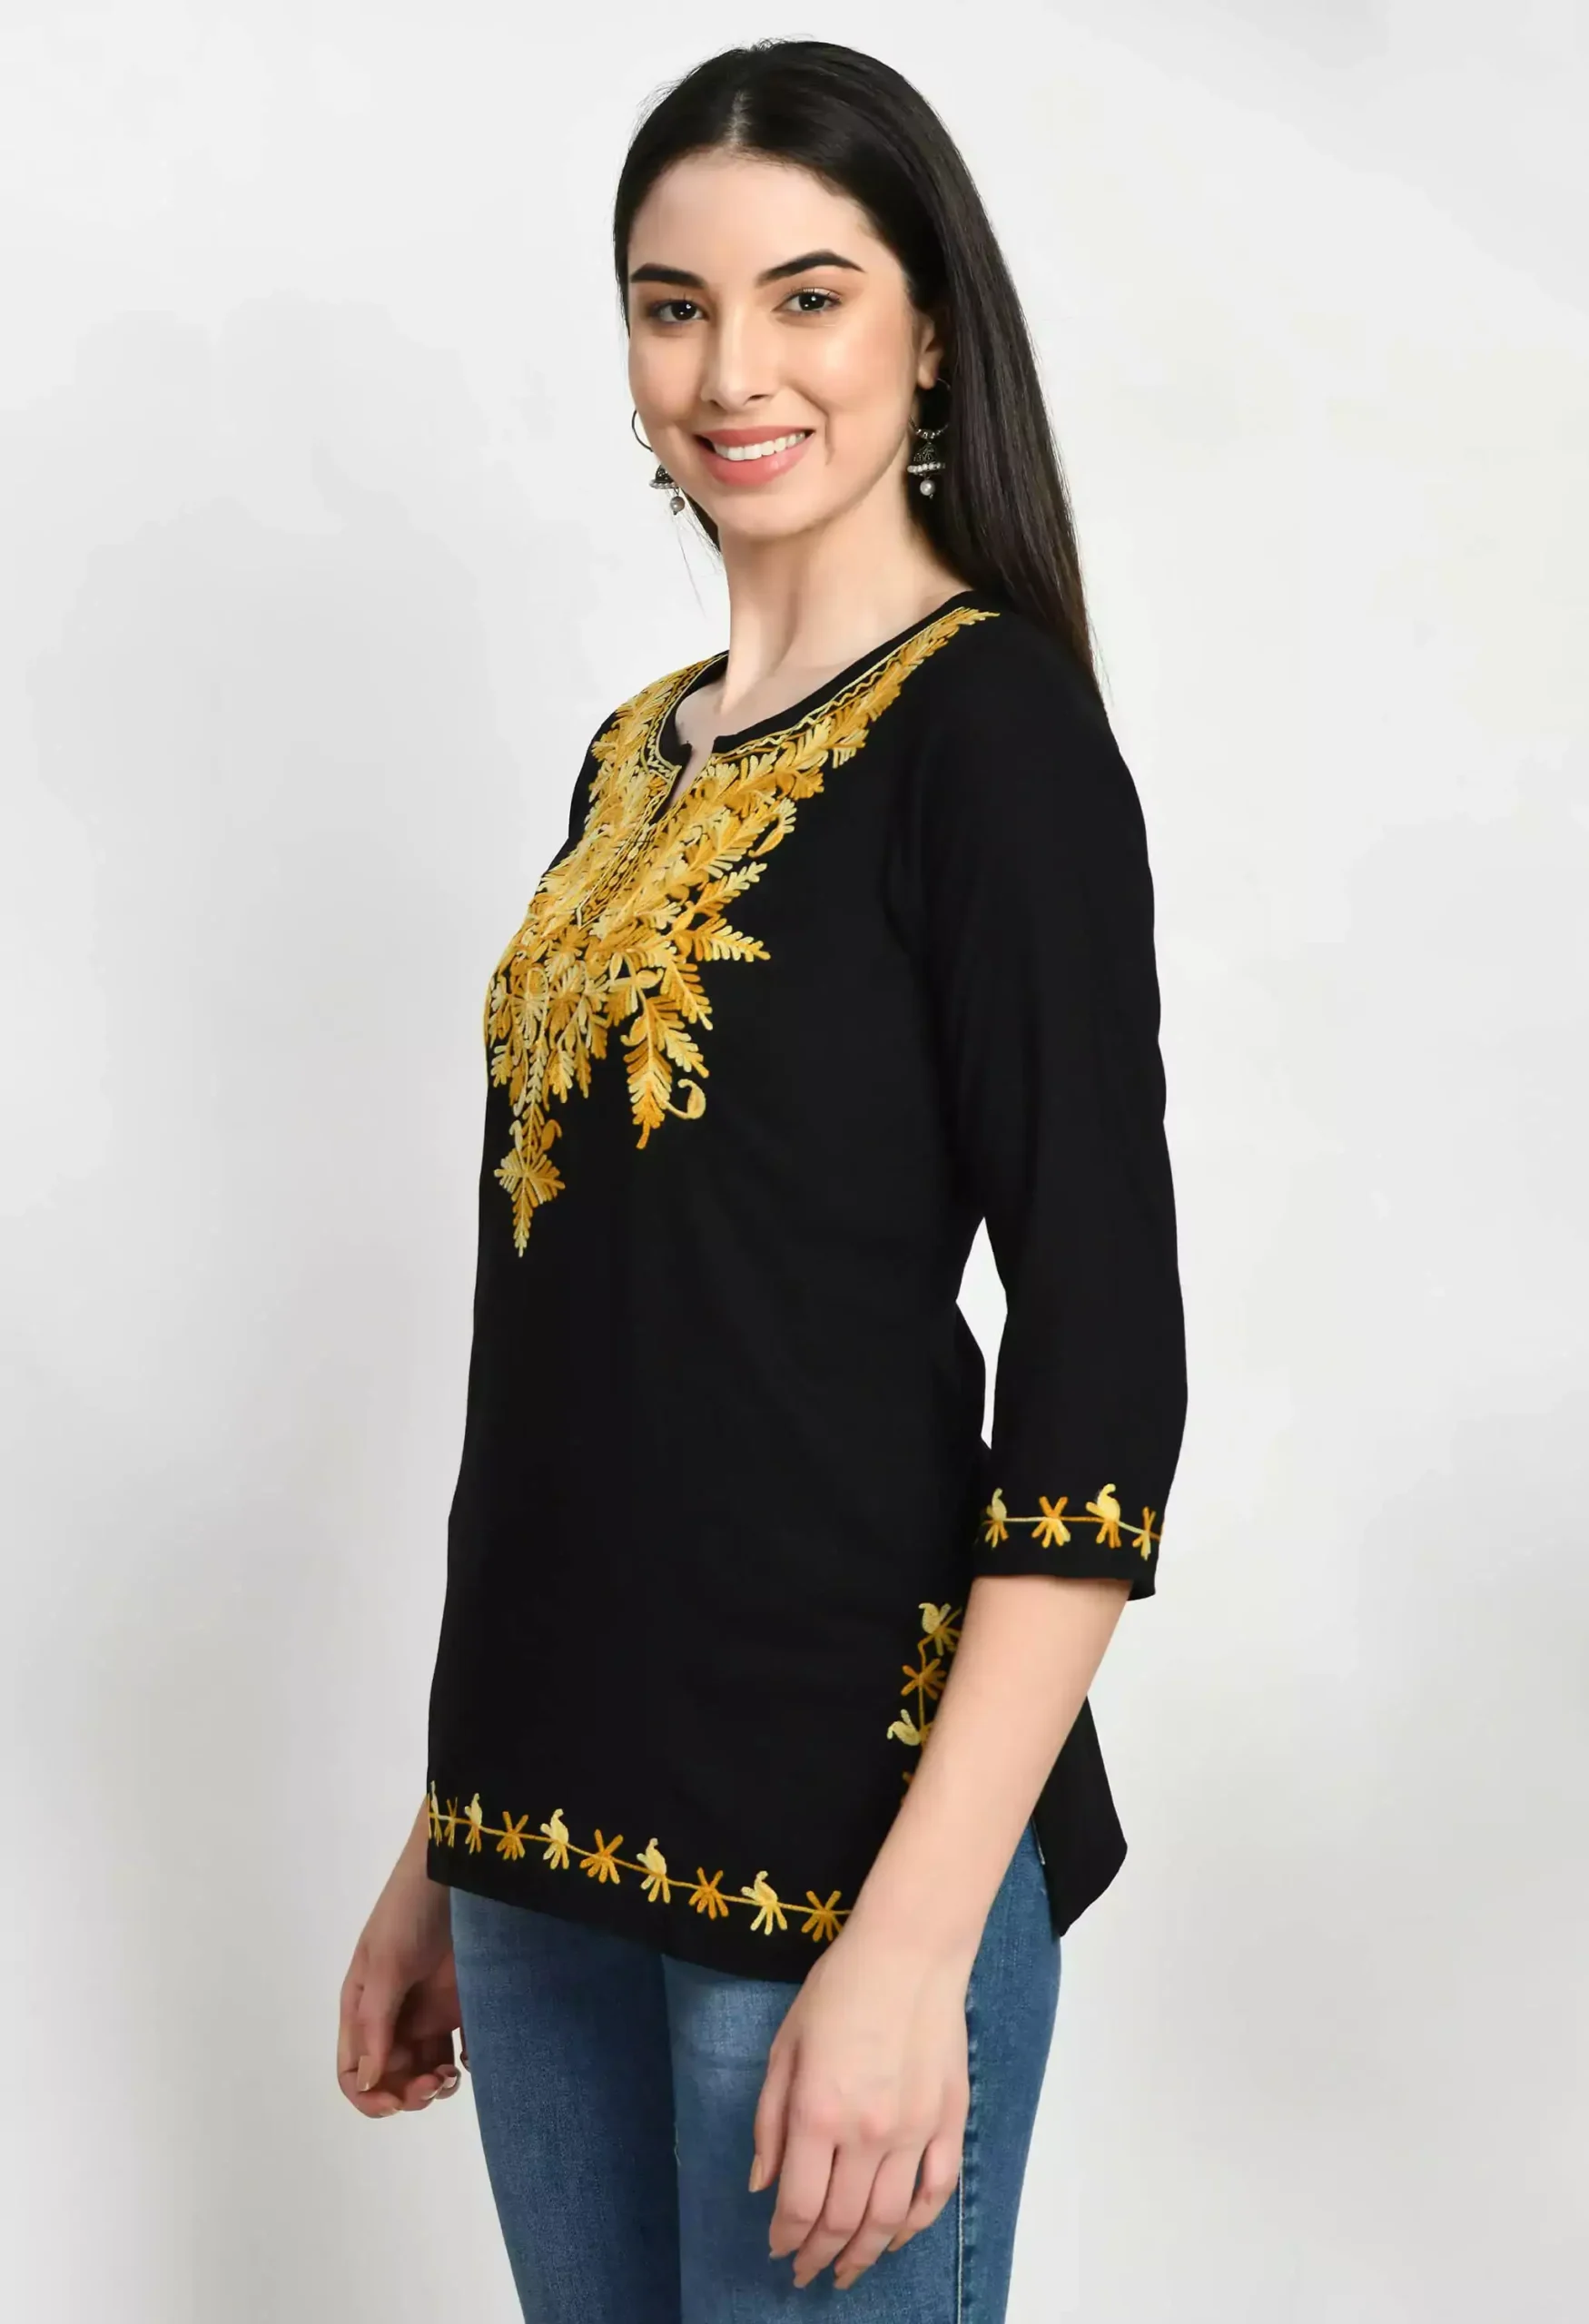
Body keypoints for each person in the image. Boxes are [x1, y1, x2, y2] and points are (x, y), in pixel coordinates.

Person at [336, 36, 1187, 2322]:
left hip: (832, 1845)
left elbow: (1101, 1373)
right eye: (672, 304)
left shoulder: (990, 733)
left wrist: (913, 1938)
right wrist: (442, 1833)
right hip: (538, 1838)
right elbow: (597, 1335)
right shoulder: (631, 755)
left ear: (930, 330)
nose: (731, 371)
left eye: (806, 297)